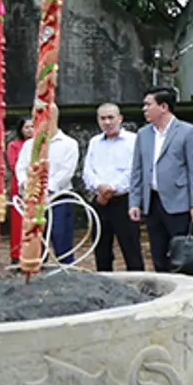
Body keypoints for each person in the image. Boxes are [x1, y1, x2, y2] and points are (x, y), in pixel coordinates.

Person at [128, 86, 193, 272]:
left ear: (163, 106)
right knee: (158, 252)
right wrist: (134, 202)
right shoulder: (143, 134)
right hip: (152, 201)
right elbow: (137, 170)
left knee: (182, 253)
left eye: (148, 104)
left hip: (178, 201)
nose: (144, 109)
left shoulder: (188, 132)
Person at [82, 102, 144, 272]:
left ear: (120, 118)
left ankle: (140, 286)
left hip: (124, 200)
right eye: (103, 118)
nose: (107, 122)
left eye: (111, 117)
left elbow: (133, 170)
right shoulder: (95, 142)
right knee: (101, 249)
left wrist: (112, 188)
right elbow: (88, 170)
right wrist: (99, 187)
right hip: (99, 201)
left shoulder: (133, 140)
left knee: (131, 248)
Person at [14, 110, 80, 264]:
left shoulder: (69, 144)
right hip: (33, 200)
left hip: (59, 198)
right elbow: (21, 167)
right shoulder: (29, 144)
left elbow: (67, 171)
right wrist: (26, 184)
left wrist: (46, 189)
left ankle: (67, 275)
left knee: (61, 239)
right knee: (35, 242)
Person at [6, 115, 33, 264]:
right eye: (27, 127)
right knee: (18, 223)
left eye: (32, 127)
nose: (30, 130)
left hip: (37, 184)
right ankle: (17, 254)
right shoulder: (14, 145)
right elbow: (14, 164)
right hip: (20, 186)